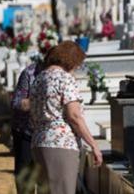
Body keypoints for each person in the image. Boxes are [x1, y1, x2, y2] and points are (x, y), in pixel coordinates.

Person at [30, 41, 102, 194]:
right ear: (71, 60)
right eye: (78, 64)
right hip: (61, 143)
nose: (77, 68)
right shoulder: (65, 78)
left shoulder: (39, 78)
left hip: (39, 141)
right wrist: (93, 144)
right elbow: (74, 115)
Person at [11, 52, 48, 194]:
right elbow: (16, 102)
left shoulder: (62, 74)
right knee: (25, 175)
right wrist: (39, 102)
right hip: (25, 130)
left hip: (47, 133)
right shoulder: (29, 73)